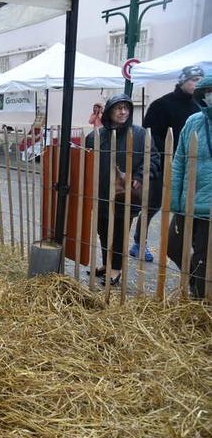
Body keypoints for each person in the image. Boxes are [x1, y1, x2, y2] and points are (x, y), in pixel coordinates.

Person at [130, 65, 205, 262]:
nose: (197, 83)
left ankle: (195, 251)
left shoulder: (200, 108)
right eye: (194, 79)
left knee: (186, 207)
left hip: (190, 169)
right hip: (162, 166)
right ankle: (139, 242)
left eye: (200, 79)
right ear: (182, 81)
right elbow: (150, 135)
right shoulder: (161, 104)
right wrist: (163, 158)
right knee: (152, 204)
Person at [85, 94, 160, 286]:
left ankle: (116, 268)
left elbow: (152, 158)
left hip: (125, 195)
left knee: (119, 231)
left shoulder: (140, 134)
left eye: (126, 108)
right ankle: (107, 263)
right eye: (118, 108)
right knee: (103, 230)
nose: (123, 112)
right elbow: (85, 161)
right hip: (101, 194)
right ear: (110, 111)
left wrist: (139, 177)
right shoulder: (95, 136)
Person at [167, 75, 212, 300]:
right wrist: (175, 199)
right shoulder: (194, 121)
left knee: (204, 256)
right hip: (188, 202)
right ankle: (197, 281)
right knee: (173, 247)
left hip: (209, 208)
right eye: (208, 91)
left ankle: (200, 298)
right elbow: (178, 162)